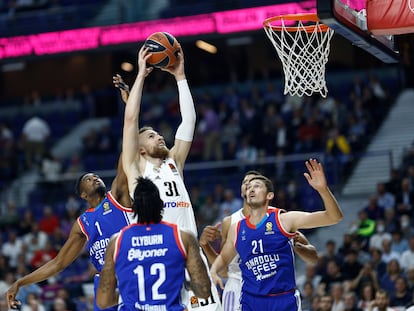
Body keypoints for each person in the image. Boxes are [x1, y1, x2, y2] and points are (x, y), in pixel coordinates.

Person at [6, 78, 133, 311]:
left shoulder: (118, 196)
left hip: (132, 274)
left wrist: (128, 108)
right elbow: (57, 264)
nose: (95, 178)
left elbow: (128, 151)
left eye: (96, 176)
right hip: (106, 285)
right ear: (83, 195)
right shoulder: (82, 222)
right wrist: (21, 282)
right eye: (88, 178)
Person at [121, 45, 221, 310]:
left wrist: (180, 76)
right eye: (151, 136)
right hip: (162, 256)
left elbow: (188, 121)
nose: (159, 136)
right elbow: (131, 121)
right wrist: (141, 75)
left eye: (158, 133)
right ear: (140, 148)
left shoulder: (174, 161)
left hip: (192, 256)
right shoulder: (136, 169)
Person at [210, 159, 343, 311]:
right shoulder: (236, 228)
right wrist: (213, 271)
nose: (251, 189)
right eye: (249, 187)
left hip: (283, 299)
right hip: (251, 301)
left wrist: (323, 190)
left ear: (269, 195)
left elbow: (334, 217)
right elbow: (224, 257)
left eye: (257, 186)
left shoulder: (284, 220)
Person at [96, 177, 211, 310]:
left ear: (134, 208)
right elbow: (204, 291)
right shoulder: (183, 237)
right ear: (161, 205)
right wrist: (182, 283)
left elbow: (103, 301)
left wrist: (129, 293)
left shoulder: (117, 241)